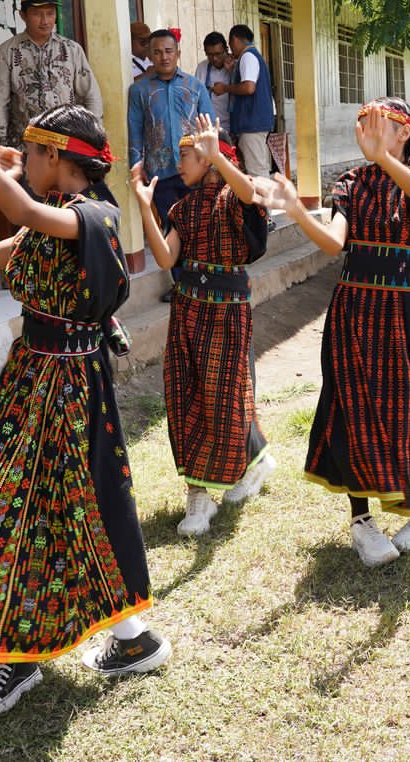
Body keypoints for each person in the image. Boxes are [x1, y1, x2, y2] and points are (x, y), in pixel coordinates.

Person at [0, 66, 168, 719]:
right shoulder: (45, 222)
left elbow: (26, 208)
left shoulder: (95, 216)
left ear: (59, 157)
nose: (22, 161)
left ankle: (24, 659)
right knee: (4, 497)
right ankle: (57, 635)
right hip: (30, 374)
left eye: (31, 152)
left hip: (71, 382)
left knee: (45, 509)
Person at [261, 98, 410, 567]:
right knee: (350, 403)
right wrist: (296, 208)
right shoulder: (352, 182)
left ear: (404, 132)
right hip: (355, 304)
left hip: (404, 306)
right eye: (360, 124)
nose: (363, 130)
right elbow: (334, 241)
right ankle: (361, 522)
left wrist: (384, 157)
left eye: (376, 124)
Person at [134, 114, 275, 537]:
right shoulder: (183, 206)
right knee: (185, 395)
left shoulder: (234, 197)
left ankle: (247, 464)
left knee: (225, 398)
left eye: (188, 154)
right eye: (179, 155)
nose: (180, 162)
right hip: (187, 307)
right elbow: (165, 258)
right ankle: (198, 496)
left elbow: (250, 193)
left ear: (212, 157)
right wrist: (144, 206)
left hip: (227, 309)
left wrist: (219, 155)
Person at [0, 0, 101, 151]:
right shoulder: (7, 52)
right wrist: (1, 146)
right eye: (37, 14)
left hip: (67, 144)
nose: (45, 20)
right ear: (23, 15)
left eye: (50, 13)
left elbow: (91, 94)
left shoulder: (72, 50)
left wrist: (95, 136)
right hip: (25, 147)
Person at [127, 28, 213, 229]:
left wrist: (211, 165)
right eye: (157, 52)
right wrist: (136, 166)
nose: (164, 57)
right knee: (170, 229)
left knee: (200, 228)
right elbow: (135, 130)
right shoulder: (139, 90)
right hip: (160, 173)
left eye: (168, 51)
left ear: (178, 53)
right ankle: (174, 262)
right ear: (150, 55)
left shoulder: (196, 87)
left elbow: (210, 129)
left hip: (196, 172)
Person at [226, 23, 275, 176]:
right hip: (256, 122)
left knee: (257, 173)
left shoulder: (247, 56)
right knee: (259, 167)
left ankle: (263, 200)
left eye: (230, 45)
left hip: (251, 123)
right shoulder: (254, 56)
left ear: (234, 39)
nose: (231, 50)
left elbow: (248, 87)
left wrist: (224, 88)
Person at [196, 31, 234, 128]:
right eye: (210, 55)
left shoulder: (236, 65)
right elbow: (196, 96)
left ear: (226, 50)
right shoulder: (202, 67)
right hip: (210, 126)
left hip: (233, 124)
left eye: (218, 54)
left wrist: (232, 71)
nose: (215, 58)